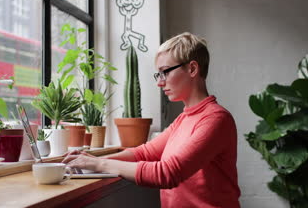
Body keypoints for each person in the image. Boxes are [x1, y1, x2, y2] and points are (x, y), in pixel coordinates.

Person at [63, 32, 241, 208]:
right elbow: (144, 153)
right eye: (159, 74)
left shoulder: (216, 119)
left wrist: (100, 163)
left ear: (192, 69)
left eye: (165, 72)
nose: (160, 83)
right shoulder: (183, 119)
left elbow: (168, 173)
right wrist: (90, 161)